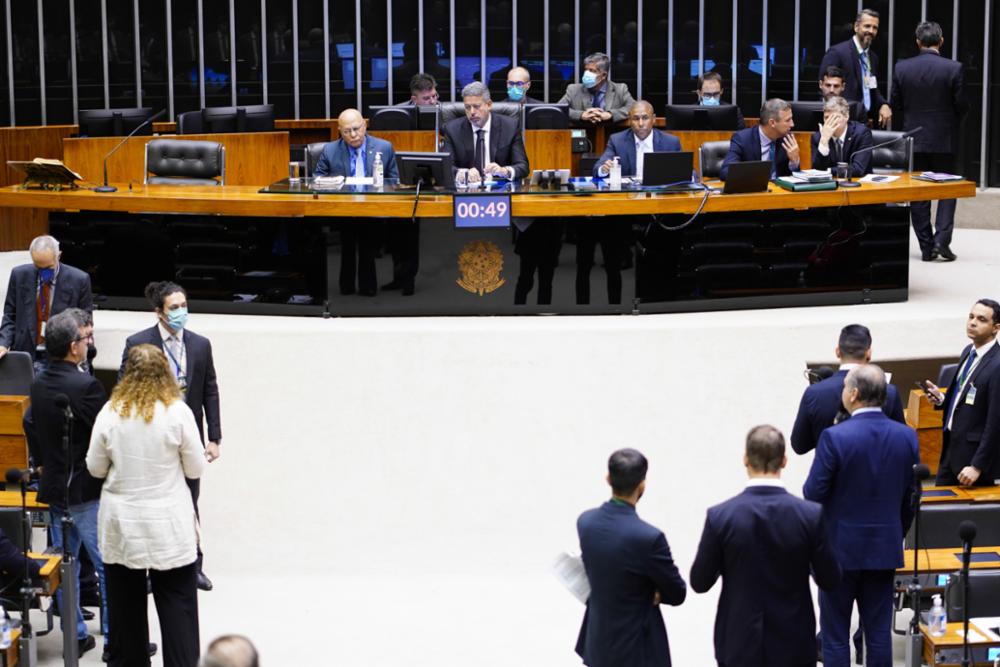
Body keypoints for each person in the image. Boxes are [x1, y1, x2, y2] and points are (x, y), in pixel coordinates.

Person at [89, 343, 206, 667]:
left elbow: (95, 467)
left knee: (127, 615)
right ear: (165, 372)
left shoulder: (111, 412)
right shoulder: (178, 412)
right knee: (178, 610)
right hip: (168, 525)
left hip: (123, 527)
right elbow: (196, 468)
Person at [690, 425, 841, 667]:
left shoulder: (721, 516)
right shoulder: (809, 515)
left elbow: (699, 582)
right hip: (794, 640)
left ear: (745, 460)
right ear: (784, 461)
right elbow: (830, 579)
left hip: (738, 639)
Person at [804, 364, 919, 667]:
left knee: (835, 634)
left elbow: (812, 493)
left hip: (839, 550)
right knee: (878, 633)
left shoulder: (834, 437)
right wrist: (896, 529)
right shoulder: (907, 438)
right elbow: (911, 498)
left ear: (853, 393)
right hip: (884, 547)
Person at [120, 281, 221, 591]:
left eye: (183, 306)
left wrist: (214, 437)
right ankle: (152, 570)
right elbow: (126, 391)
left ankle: (194, 567)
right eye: (174, 308)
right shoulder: (138, 343)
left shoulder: (200, 344)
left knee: (190, 501)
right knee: (153, 503)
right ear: (159, 313)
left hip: (188, 436)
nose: (181, 312)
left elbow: (209, 390)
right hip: (152, 438)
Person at [23, 308, 105, 657]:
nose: (89, 343)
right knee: (107, 564)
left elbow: (28, 422)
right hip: (85, 489)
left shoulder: (38, 382)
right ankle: (116, 638)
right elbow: (106, 435)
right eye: (86, 338)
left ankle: (75, 634)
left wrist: (41, 462)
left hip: (56, 487)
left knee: (65, 563)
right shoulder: (86, 386)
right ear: (74, 347)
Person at [575, 448, 686, 667]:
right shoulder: (649, 538)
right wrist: (653, 592)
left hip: (598, 644)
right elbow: (677, 593)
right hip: (637, 650)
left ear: (608, 478)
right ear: (642, 485)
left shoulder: (585, 522)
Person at [890, 21, 968, 262]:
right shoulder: (954, 68)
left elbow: (896, 103)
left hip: (914, 137)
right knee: (947, 189)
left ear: (917, 42)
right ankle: (941, 242)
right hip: (944, 138)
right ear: (941, 41)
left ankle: (926, 246)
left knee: (918, 192)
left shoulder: (902, 68)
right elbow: (961, 104)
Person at [314, 108, 399, 296]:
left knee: (368, 242)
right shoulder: (330, 150)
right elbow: (316, 179)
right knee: (348, 243)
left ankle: (368, 287)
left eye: (357, 129)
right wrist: (333, 183)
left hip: (373, 207)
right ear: (339, 131)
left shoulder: (383, 147)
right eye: (347, 131)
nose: (353, 135)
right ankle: (346, 287)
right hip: (344, 208)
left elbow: (394, 181)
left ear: (365, 125)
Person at [791, 324, 905, 456]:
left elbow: (799, 445)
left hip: (830, 473)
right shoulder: (889, 392)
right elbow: (900, 441)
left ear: (838, 351)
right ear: (868, 353)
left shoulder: (814, 393)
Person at [921, 299, 1000, 486]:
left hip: (973, 461)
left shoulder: (997, 365)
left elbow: (995, 422)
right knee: (938, 511)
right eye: (971, 316)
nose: (972, 322)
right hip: (951, 449)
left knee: (966, 515)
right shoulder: (968, 351)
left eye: (981, 319)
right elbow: (963, 395)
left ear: (996, 328)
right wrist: (942, 400)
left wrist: (977, 465)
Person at [0, 235, 93, 371]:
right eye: (38, 267)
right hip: (26, 355)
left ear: (59, 256)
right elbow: (10, 315)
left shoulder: (79, 280)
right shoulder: (19, 275)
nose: (44, 273)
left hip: (61, 358)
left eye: (48, 267)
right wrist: (3, 343)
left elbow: (85, 323)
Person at [819, 9, 892, 128]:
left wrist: (884, 104)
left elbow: (872, 87)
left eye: (875, 28)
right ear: (856, 27)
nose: (871, 31)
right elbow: (825, 88)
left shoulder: (873, 57)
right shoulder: (837, 52)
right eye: (867, 26)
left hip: (866, 122)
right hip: (843, 122)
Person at [720, 98, 800, 180]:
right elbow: (725, 172)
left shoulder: (787, 140)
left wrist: (794, 162)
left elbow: (794, 178)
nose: (792, 124)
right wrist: (755, 176)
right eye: (788, 120)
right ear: (772, 123)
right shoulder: (743, 139)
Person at [558, 52, 635, 124]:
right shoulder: (573, 89)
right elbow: (559, 109)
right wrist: (581, 115)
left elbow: (633, 107)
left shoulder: (620, 89)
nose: (586, 73)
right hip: (582, 134)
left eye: (592, 71)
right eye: (586, 70)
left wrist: (611, 114)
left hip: (610, 135)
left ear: (604, 75)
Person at [810, 96, 873, 178]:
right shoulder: (818, 137)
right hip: (830, 186)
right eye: (826, 117)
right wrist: (824, 141)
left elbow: (858, 169)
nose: (829, 122)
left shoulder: (862, 133)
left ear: (846, 116)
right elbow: (817, 171)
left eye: (835, 117)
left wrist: (828, 171)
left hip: (860, 184)